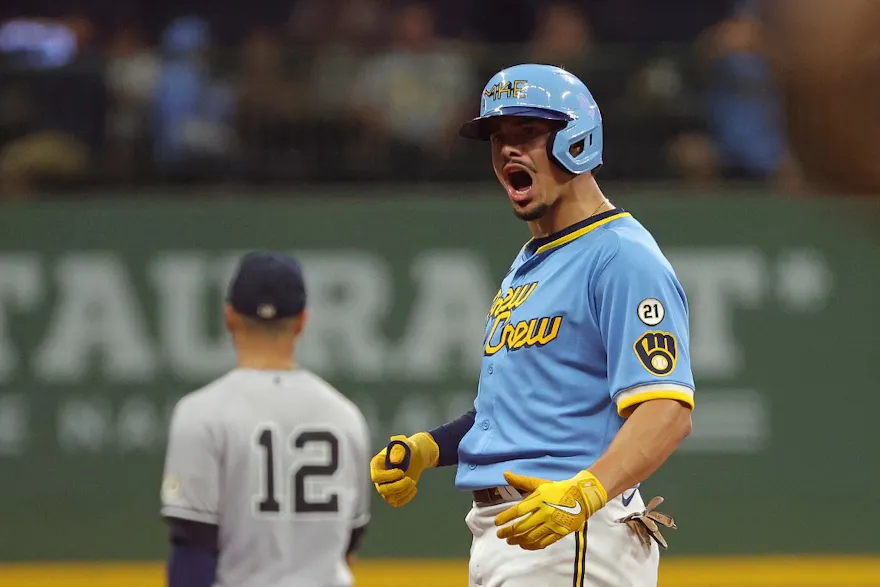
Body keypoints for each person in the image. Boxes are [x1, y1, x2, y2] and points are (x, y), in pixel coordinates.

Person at [370, 64, 695, 587]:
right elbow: (514, 410)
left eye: (528, 132)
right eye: (498, 137)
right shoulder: (533, 259)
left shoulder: (620, 255)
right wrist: (431, 447)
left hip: (570, 534)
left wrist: (585, 494)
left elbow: (667, 410)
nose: (507, 151)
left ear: (576, 139)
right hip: (515, 531)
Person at [160, 251, 371, 587]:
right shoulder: (345, 417)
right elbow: (349, 544)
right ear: (303, 320)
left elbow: (192, 547)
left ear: (229, 316)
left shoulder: (201, 413)